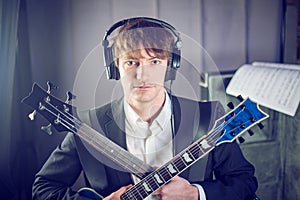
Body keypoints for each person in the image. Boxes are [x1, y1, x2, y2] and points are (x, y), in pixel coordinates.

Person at [32, 17, 258, 200]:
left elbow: (245, 181)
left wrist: (196, 194)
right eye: (131, 62)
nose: (143, 75)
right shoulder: (88, 126)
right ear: (115, 68)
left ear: (170, 66)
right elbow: (43, 188)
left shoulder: (207, 118)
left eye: (155, 62)